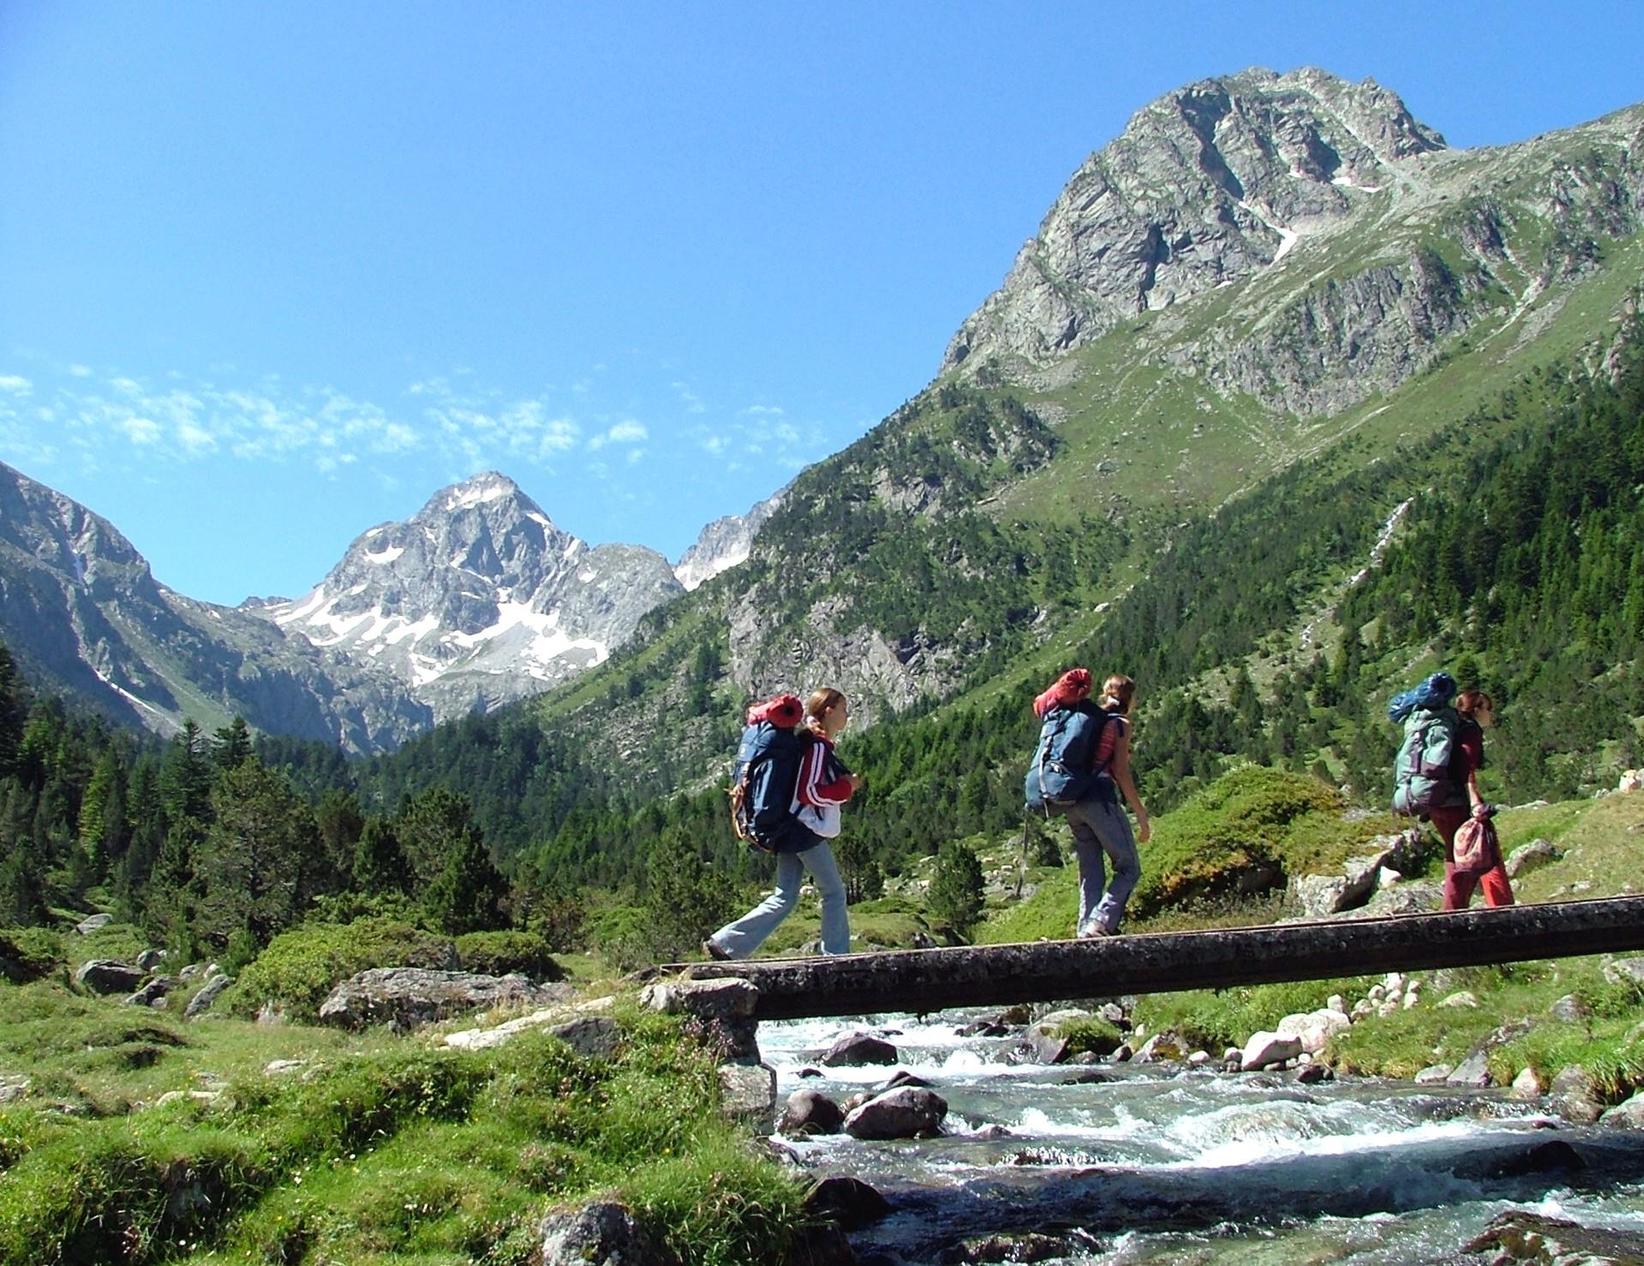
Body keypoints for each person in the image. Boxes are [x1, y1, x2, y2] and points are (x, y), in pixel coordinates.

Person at [704, 688, 862, 959]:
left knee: (785, 895)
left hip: (786, 827)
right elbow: (808, 792)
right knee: (834, 892)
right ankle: (836, 956)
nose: (847, 715)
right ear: (829, 711)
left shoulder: (808, 741)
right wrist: (846, 788)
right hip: (802, 830)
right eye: (844, 709)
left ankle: (726, 944)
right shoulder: (817, 746)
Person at [1034, 669, 1151, 938]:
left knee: (1090, 873)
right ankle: (1099, 922)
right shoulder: (1119, 723)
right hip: (1100, 798)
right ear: (1130, 699)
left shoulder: (1086, 717)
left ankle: (1085, 932)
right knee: (1129, 867)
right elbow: (1120, 772)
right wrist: (1141, 814)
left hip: (1074, 801)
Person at [1431, 689, 1514, 910]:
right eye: (1488, 708)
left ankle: (1454, 913)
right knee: (1479, 851)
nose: (1491, 713)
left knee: (1456, 856)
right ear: (1476, 710)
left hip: (1437, 802)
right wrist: (1476, 803)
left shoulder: (1455, 728)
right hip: (1455, 802)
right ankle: (1499, 908)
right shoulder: (1470, 731)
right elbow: (1466, 767)